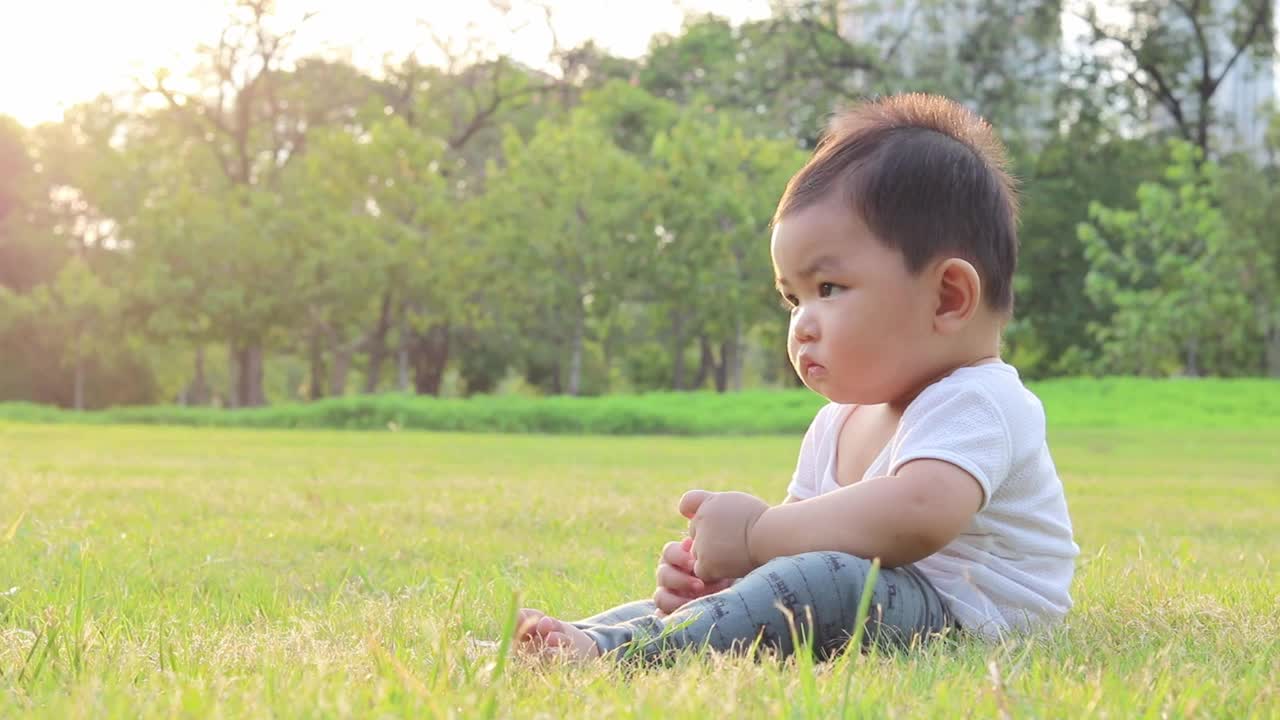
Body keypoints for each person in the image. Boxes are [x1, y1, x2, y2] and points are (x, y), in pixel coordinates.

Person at [514, 93, 1079, 664]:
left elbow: (918, 515)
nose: (802, 324)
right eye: (791, 298)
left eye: (827, 289)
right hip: (876, 597)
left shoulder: (980, 400)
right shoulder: (837, 424)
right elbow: (800, 540)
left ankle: (619, 656)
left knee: (829, 582)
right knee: (802, 581)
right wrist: (727, 573)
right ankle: (578, 636)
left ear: (948, 297)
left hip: (966, 618)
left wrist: (757, 533)